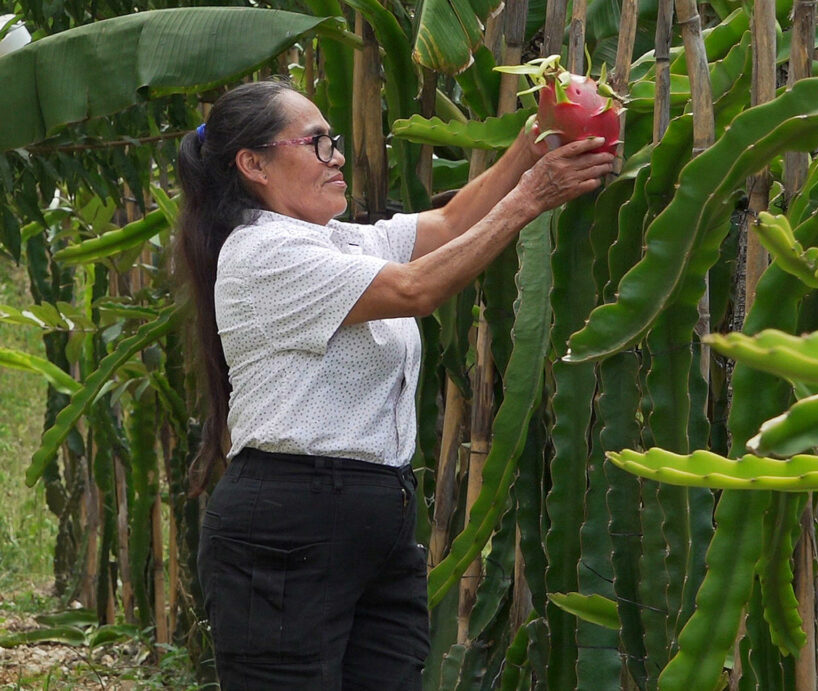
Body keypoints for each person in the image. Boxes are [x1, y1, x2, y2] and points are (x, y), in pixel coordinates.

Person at [174, 79, 614, 689]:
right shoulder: (263, 253)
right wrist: (530, 198)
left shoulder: (339, 240)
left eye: (333, 140)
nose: (336, 156)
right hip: (290, 522)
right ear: (254, 164)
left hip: (376, 516)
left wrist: (536, 139)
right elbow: (415, 288)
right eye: (316, 142)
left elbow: (453, 221)